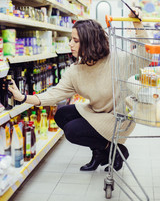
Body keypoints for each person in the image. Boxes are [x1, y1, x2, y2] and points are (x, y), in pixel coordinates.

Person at [8, 9, 145, 172]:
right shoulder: (76, 70)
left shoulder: (117, 60)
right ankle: (104, 151)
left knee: (73, 131)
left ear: (89, 42)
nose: (70, 44)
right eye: (71, 40)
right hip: (97, 112)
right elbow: (53, 95)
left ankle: (113, 150)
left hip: (117, 117)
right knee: (61, 114)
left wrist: (137, 22)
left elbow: (145, 55)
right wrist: (22, 97)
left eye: (75, 40)